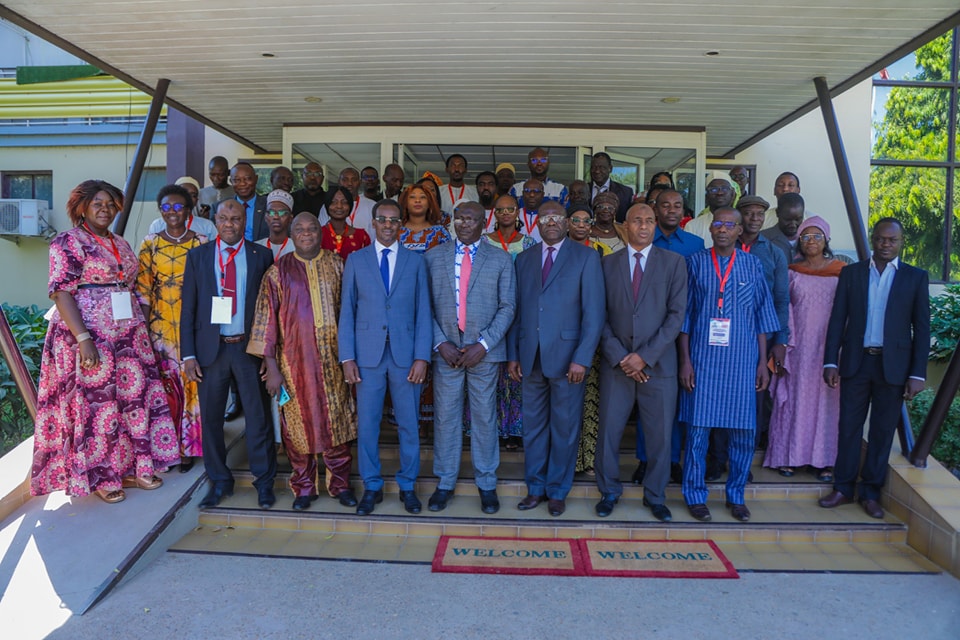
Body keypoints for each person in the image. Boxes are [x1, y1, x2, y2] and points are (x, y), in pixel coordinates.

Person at [32, 180, 177, 504]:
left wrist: (141, 328)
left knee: (130, 403)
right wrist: (83, 339)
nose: (105, 209)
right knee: (97, 408)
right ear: (82, 206)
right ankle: (102, 477)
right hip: (87, 337)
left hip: (126, 338)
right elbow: (61, 292)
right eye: (98, 202)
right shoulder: (67, 242)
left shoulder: (121, 244)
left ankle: (133, 467)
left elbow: (134, 287)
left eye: (111, 204)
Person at [819, 217, 929, 519]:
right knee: (848, 428)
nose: (885, 244)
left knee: (881, 433)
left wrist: (917, 373)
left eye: (892, 240)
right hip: (856, 363)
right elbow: (837, 320)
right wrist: (831, 360)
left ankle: (870, 493)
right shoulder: (852, 274)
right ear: (873, 239)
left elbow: (922, 328)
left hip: (893, 367)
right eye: (880, 239)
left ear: (901, 242)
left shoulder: (915, 277)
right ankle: (842, 488)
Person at [248, 212, 358, 511]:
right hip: (293, 363)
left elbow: (352, 311)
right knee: (296, 425)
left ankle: (340, 484)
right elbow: (265, 321)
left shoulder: (337, 264)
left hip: (335, 360)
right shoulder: (277, 272)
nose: (307, 233)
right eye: (300, 229)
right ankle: (304, 486)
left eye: (312, 228)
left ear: (319, 233)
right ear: (291, 234)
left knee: (338, 421)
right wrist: (271, 367)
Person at [678, 207, 779, 523]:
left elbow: (763, 317)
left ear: (739, 231)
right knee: (697, 433)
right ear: (710, 230)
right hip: (703, 361)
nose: (722, 229)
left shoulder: (752, 265)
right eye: (717, 223)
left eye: (729, 224)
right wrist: (685, 361)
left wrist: (763, 362)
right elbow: (685, 318)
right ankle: (695, 495)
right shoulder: (694, 263)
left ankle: (736, 496)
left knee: (744, 434)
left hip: (743, 362)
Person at [508, 200, 605, 516]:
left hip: (568, 360)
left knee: (564, 428)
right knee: (533, 427)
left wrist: (582, 358)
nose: (551, 222)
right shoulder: (523, 259)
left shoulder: (587, 257)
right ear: (536, 223)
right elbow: (517, 310)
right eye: (545, 217)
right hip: (530, 356)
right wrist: (513, 355)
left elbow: (594, 314)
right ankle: (535, 488)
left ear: (566, 223)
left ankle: (558, 491)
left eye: (557, 217)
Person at [180, 199, 277, 510]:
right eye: (224, 218)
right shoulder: (198, 256)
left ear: (244, 219)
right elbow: (188, 308)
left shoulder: (262, 255)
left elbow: (269, 309)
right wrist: (189, 354)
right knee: (211, 420)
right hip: (212, 351)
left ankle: (264, 483)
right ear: (215, 221)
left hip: (248, 350)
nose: (230, 224)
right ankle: (220, 482)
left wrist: (268, 353)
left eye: (236, 218)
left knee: (258, 418)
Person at [594, 204, 687, 522]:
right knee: (609, 432)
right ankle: (608, 491)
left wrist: (644, 357)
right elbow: (598, 316)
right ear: (626, 225)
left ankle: (656, 496)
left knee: (660, 435)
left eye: (650, 221)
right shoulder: (607, 264)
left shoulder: (674, 263)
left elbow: (676, 316)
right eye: (637, 220)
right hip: (616, 365)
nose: (644, 226)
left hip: (658, 367)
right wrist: (621, 356)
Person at [339, 199, 432, 516]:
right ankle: (372, 486)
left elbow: (423, 313)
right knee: (368, 425)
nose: (389, 225)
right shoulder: (356, 260)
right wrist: (347, 357)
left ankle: (408, 486)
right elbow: (346, 312)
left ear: (401, 225)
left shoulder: (416, 262)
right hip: (367, 355)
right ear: (374, 223)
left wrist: (422, 357)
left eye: (394, 220)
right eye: (383, 219)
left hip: (406, 356)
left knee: (409, 424)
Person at [425, 201, 517, 514]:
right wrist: (440, 343)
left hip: (484, 355)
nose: (465, 224)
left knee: (484, 418)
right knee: (446, 417)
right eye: (460, 218)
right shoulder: (433, 257)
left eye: (472, 219)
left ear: (483, 221)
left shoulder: (501, 259)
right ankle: (445, 481)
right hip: (446, 353)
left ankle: (487, 483)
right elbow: (424, 306)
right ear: (453, 221)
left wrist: (484, 344)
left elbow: (508, 307)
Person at [629, 188, 704, 485]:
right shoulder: (643, 239)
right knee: (646, 403)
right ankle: (644, 460)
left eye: (677, 205)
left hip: (683, 334)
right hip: (646, 337)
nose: (671, 210)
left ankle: (672, 460)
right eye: (665, 205)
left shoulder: (696, 245)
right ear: (655, 210)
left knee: (673, 405)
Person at [137, 183, 211, 472]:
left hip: (193, 327)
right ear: (160, 211)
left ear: (188, 211)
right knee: (165, 389)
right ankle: (167, 448)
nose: (172, 212)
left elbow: (209, 288)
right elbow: (143, 290)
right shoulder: (150, 244)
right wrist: (142, 329)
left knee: (193, 385)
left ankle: (190, 447)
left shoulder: (202, 243)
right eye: (166, 207)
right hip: (160, 328)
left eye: (178, 207)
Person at [764, 216, 844, 479]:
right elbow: (783, 307)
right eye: (806, 236)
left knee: (827, 404)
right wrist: (784, 343)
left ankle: (824, 460)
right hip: (798, 349)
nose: (811, 241)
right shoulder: (791, 271)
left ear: (827, 240)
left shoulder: (842, 272)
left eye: (817, 236)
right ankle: (790, 456)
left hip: (830, 349)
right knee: (795, 401)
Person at [486, 194, 537, 450]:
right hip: (488, 315)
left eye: (510, 209)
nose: (505, 213)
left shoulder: (529, 243)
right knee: (491, 375)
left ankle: (516, 429)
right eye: (501, 209)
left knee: (516, 373)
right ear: (493, 213)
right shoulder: (483, 242)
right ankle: (490, 428)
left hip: (520, 314)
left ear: (517, 212)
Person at [565, 202, 610, 477]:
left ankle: (589, 460)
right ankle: (568, 460)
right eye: (576, 220)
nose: (581, 225)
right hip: (563, 337)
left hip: (592, 338)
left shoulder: (601, 252)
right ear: (567, 222)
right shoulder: (559, 252)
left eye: (586, 221)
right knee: (566, 405)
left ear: (591, 225)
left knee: (591, 401)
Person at [147, 177, 218, 238]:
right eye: (183, 193)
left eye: (193, 195)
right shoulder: (157, 225)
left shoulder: (207, 226)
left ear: (197, 200)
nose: (188, 198)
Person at [214, 162, 268, 242]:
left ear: (256, 179)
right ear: (231, 181)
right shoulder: (219, 207)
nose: (242, 184)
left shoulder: (268, 205)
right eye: (236, 180)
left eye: (247, 179)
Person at [321, 185, 372, 261]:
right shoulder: (317, 235)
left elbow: (368, 265)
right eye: (334, 202)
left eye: (344, 202)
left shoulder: (362, 236)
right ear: (327, 206)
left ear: (350, 206)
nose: (339, 206)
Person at [320, 167, 375, 236]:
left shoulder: (372, 205)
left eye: (354, 180)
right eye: (345, 180)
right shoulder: (329, 206)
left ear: (360, 182)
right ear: (339, 182)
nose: (349, 183)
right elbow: (321, 232)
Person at [398, 183, 451, 254]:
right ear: (405, 203)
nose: (417, 200)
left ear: (430, 203)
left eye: (422, 197)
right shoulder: (396, 231)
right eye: (412, 197)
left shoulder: (440, 232)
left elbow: (448, 259)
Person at [684, 178, 736, 247]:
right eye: (714, 189)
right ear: (706, 197)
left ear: (732, 195)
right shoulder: (692, 226)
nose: (719, 193)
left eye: (724, 188)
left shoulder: (740, 224)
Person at [589, 152, 634, 222]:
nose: (597, 171)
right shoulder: (582, 191)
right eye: (593, 167)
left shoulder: (626, 193)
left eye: (601, 167)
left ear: (610, 168)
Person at [762, 192, 805, 263]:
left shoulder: (811, 240)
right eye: (787, 220)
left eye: (798, 219)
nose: (793, 224)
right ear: (777, 213)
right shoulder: (762, 240)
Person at [257, 190, 296, 261]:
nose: (276, 217)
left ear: (290, 218)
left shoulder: (297, 247)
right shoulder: (257, 247)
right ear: (265, 217)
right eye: (271, 212)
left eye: (282, 213)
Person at [517, 178, 545, 243]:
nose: (532, 195)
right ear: (523, 194)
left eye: (537, 191)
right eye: (527, 191)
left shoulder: (548, 216)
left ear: (543, 195)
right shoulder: (516, 214)